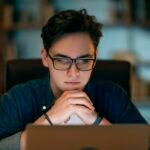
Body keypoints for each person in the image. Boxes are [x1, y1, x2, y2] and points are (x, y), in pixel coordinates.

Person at [0, 9, 147, 150]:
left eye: (84, 60)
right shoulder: (17, 99)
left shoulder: (113, 95)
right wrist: (49, 120)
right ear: (45, 58)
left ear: (94, 59)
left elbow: (145, 144)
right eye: (62, 60)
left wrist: (96, 121)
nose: (73, 73)